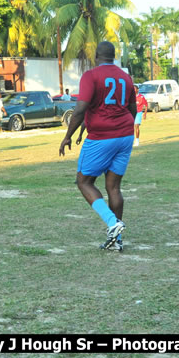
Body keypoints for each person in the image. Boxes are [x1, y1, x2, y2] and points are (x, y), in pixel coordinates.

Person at [59, 41, 136, 252]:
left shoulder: (91, 76)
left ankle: (113, 223)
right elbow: (132, 109)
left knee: (83, 181)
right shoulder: (125, 77)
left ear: (96, 56)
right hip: (125, 135)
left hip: (102, 136)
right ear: (113, 56)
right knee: (113, 186)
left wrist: (68, 136)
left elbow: (80, 109)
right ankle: (116, 240)